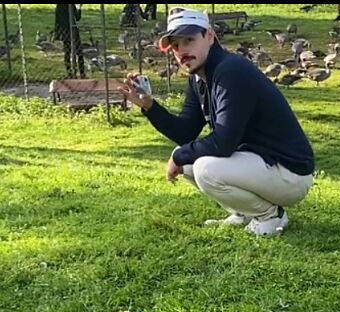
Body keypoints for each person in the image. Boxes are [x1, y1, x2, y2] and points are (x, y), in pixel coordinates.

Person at [118, 7, 315, 237]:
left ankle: (270, 216)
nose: (182, 51)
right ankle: (244, 212)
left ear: (209, 36)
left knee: (203, 168)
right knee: (191, 162)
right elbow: (186, 132)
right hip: (262, 163)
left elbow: (223, 142)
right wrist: (150, 107)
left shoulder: (231, 70)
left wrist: (178, 156)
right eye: (175, 46)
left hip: (290, 173)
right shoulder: (200, 77)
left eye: (189, 40)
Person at [54, 4, 85, 78]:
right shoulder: (71, 5)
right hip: (73, 31)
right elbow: (77, 18)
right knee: (79, 52)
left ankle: (69, 73)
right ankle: (82, 72)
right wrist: (79, 8)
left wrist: (57, 34)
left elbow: (57, 21)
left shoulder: (59, 6)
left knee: (67, 52)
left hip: (65, 31)